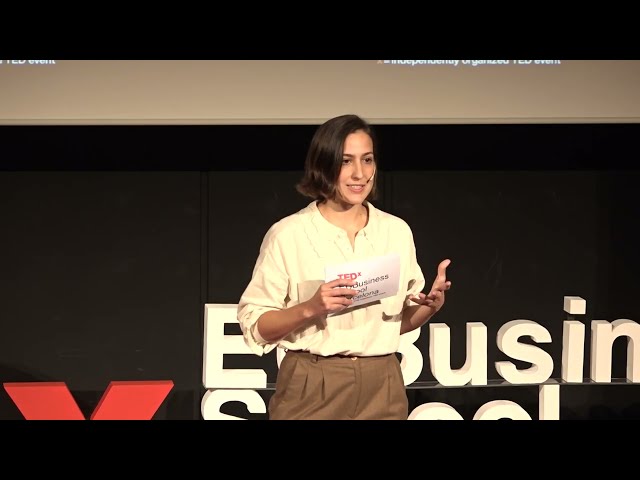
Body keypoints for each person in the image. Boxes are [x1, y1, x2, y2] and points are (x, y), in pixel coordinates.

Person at [237, 114, 452, 420]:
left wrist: (429, 307)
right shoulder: (289, 234)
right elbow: (256, 326)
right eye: (346, 161)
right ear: (323, 165)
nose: (359, 174)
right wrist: (311, 308)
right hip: (313, 384)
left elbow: (396, 323)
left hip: (383, 383)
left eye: (367, 160)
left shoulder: (396, 231)